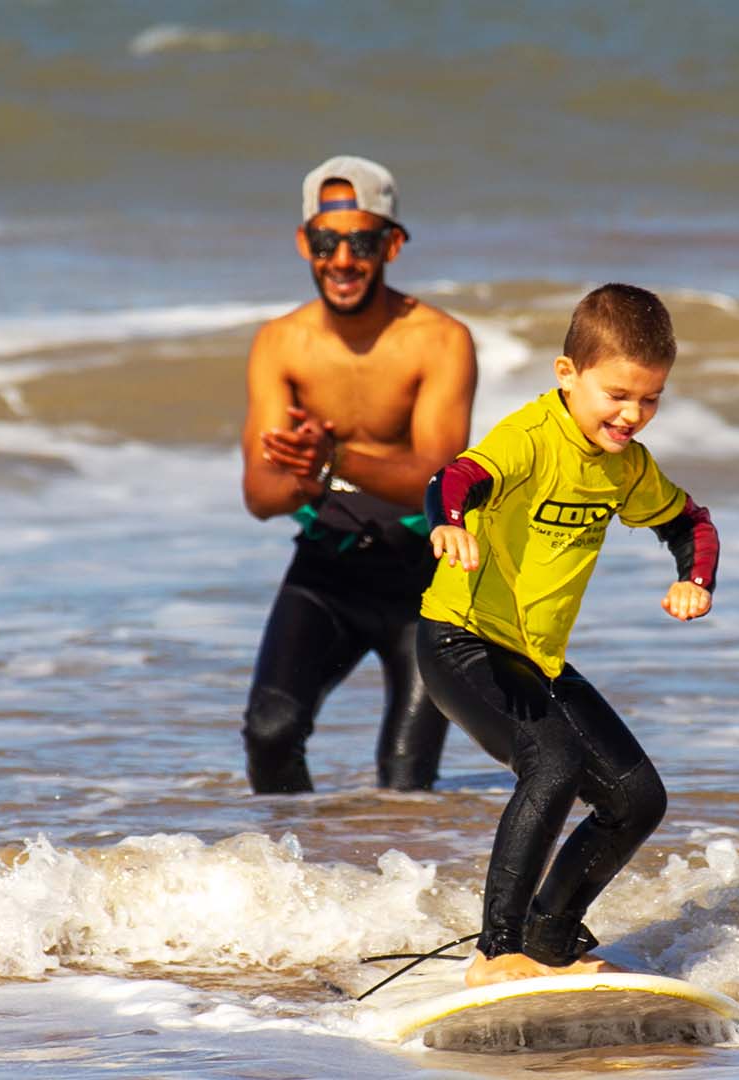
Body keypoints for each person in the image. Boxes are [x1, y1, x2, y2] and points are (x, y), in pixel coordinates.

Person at [417, 283, 721, 986]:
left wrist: (694, 580)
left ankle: (549, 941)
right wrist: (450, 523)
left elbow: (690, 522)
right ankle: (494, 954)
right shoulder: (530, 439)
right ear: (567, 375)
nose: (632, 414)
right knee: (550, 765)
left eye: (650, 399)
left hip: (536, 660)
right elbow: (455, 477)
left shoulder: (624, 467)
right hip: (460, 643)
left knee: (637, 798)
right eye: (617, 394)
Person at [239, 155, 478, 794]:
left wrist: (334, 459)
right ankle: (296, 885)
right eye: (326, 241)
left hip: (425, 581)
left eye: (361, 242)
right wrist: (305, 481)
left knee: (405, 783)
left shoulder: (439, 340)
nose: (342, 261)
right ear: (304, 243)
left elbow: (439, 485)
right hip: (329, 569)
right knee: (270, 732)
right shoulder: (281, 343)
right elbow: (261, 498)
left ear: (391, 245)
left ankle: (397, 894)